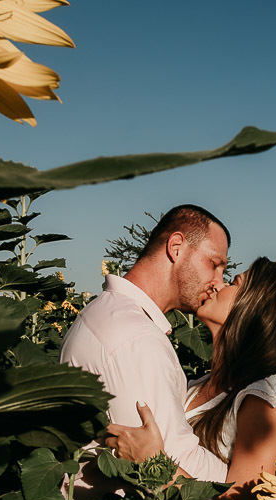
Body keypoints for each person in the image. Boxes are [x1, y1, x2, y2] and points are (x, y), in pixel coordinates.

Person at [105, 257, 276, 500]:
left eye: (233, 282)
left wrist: (155, 466)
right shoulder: (196, 387)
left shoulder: (266, 400)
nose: (217, 282)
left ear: (256, 309)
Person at [60, 204, 232, 484]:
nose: (217, 282)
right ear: (176, 247)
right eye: (214, 264)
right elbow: (174, 457)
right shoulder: (136, 338)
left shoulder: (107, 314)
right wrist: (249, 493)